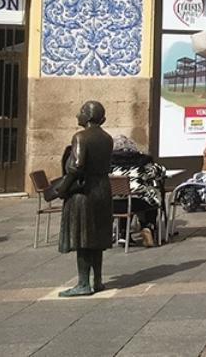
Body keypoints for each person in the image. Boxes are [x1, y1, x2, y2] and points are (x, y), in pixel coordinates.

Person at [57, 101, 114, 297]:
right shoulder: (107, 138)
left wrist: (63, 187)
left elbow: (77, 165)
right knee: (96, 237)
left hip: (85, 192)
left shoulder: (80, 137)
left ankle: (83, 283)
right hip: (103, 189)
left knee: (82, 237)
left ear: (88, 117)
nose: (77, 115)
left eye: (80, 112)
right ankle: (97, 280)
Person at [109, 135, 166, 247]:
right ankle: (148, 227)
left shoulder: (107, 164)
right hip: (137, 202)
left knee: (125, 198)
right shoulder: (141, 162)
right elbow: (159, 172)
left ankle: (123, 234)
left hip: (112, 204)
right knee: (151, 196)